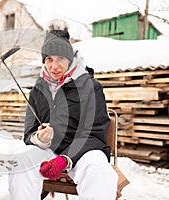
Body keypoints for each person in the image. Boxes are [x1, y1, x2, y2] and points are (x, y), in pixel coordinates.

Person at [8, 21, 118, 200]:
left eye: (60, 58)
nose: (54, 66)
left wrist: (65, 159)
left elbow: (96, 133)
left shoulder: (91, 87)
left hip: (84, 152)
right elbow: (28, 133)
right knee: (22, 163)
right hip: (50, 150)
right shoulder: (38, 90)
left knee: (99, 171)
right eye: (49, 59)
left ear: (71, 59)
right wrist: (40, 138)